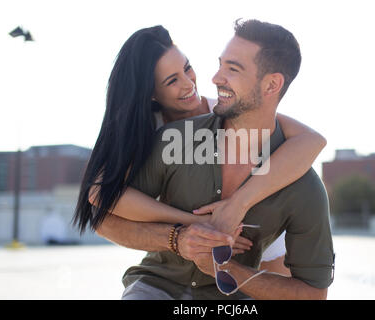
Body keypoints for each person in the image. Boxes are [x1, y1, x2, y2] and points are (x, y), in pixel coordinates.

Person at [74, 20, 334, 300]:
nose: (191, 83)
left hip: (260, 230)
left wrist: (237, 206)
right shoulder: (152, 135)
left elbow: (312, 140)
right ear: (150, 93)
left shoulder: (231, 108)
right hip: (171, 268)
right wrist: (190, 229)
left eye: (187, 68)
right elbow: (102, 202)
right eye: (172, 80)